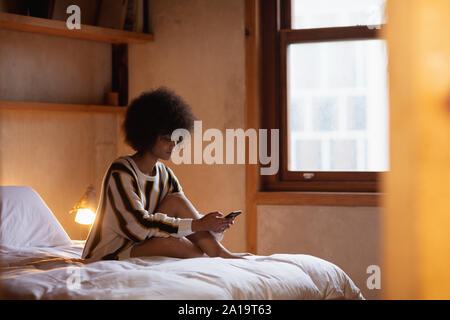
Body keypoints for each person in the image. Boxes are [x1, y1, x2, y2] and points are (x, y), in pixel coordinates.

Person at [82, 87, 247, 261]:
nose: (173, 145)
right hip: (110, 252)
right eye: (166, 139)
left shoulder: (165, 175)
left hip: (142, 242)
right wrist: (200, 224)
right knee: (190, 250)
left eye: (176, 139)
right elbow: (138, 227)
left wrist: (214, 226)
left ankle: (220, 253)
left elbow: (185, 215)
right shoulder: (121, 171)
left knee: (177, 201)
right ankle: (218, 255)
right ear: (147, 135)